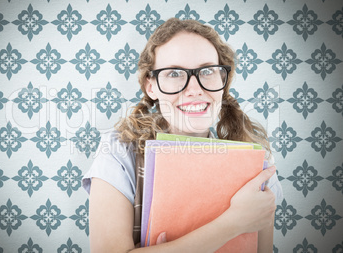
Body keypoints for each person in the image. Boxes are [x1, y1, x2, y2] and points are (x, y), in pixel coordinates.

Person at [82, 18, 283, 253]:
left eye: (207, 71)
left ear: (223, 80)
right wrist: (233, 223)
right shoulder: (119, 153)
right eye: (174, 73)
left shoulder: (257, 167)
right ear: (151, 86)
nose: (194, 89)